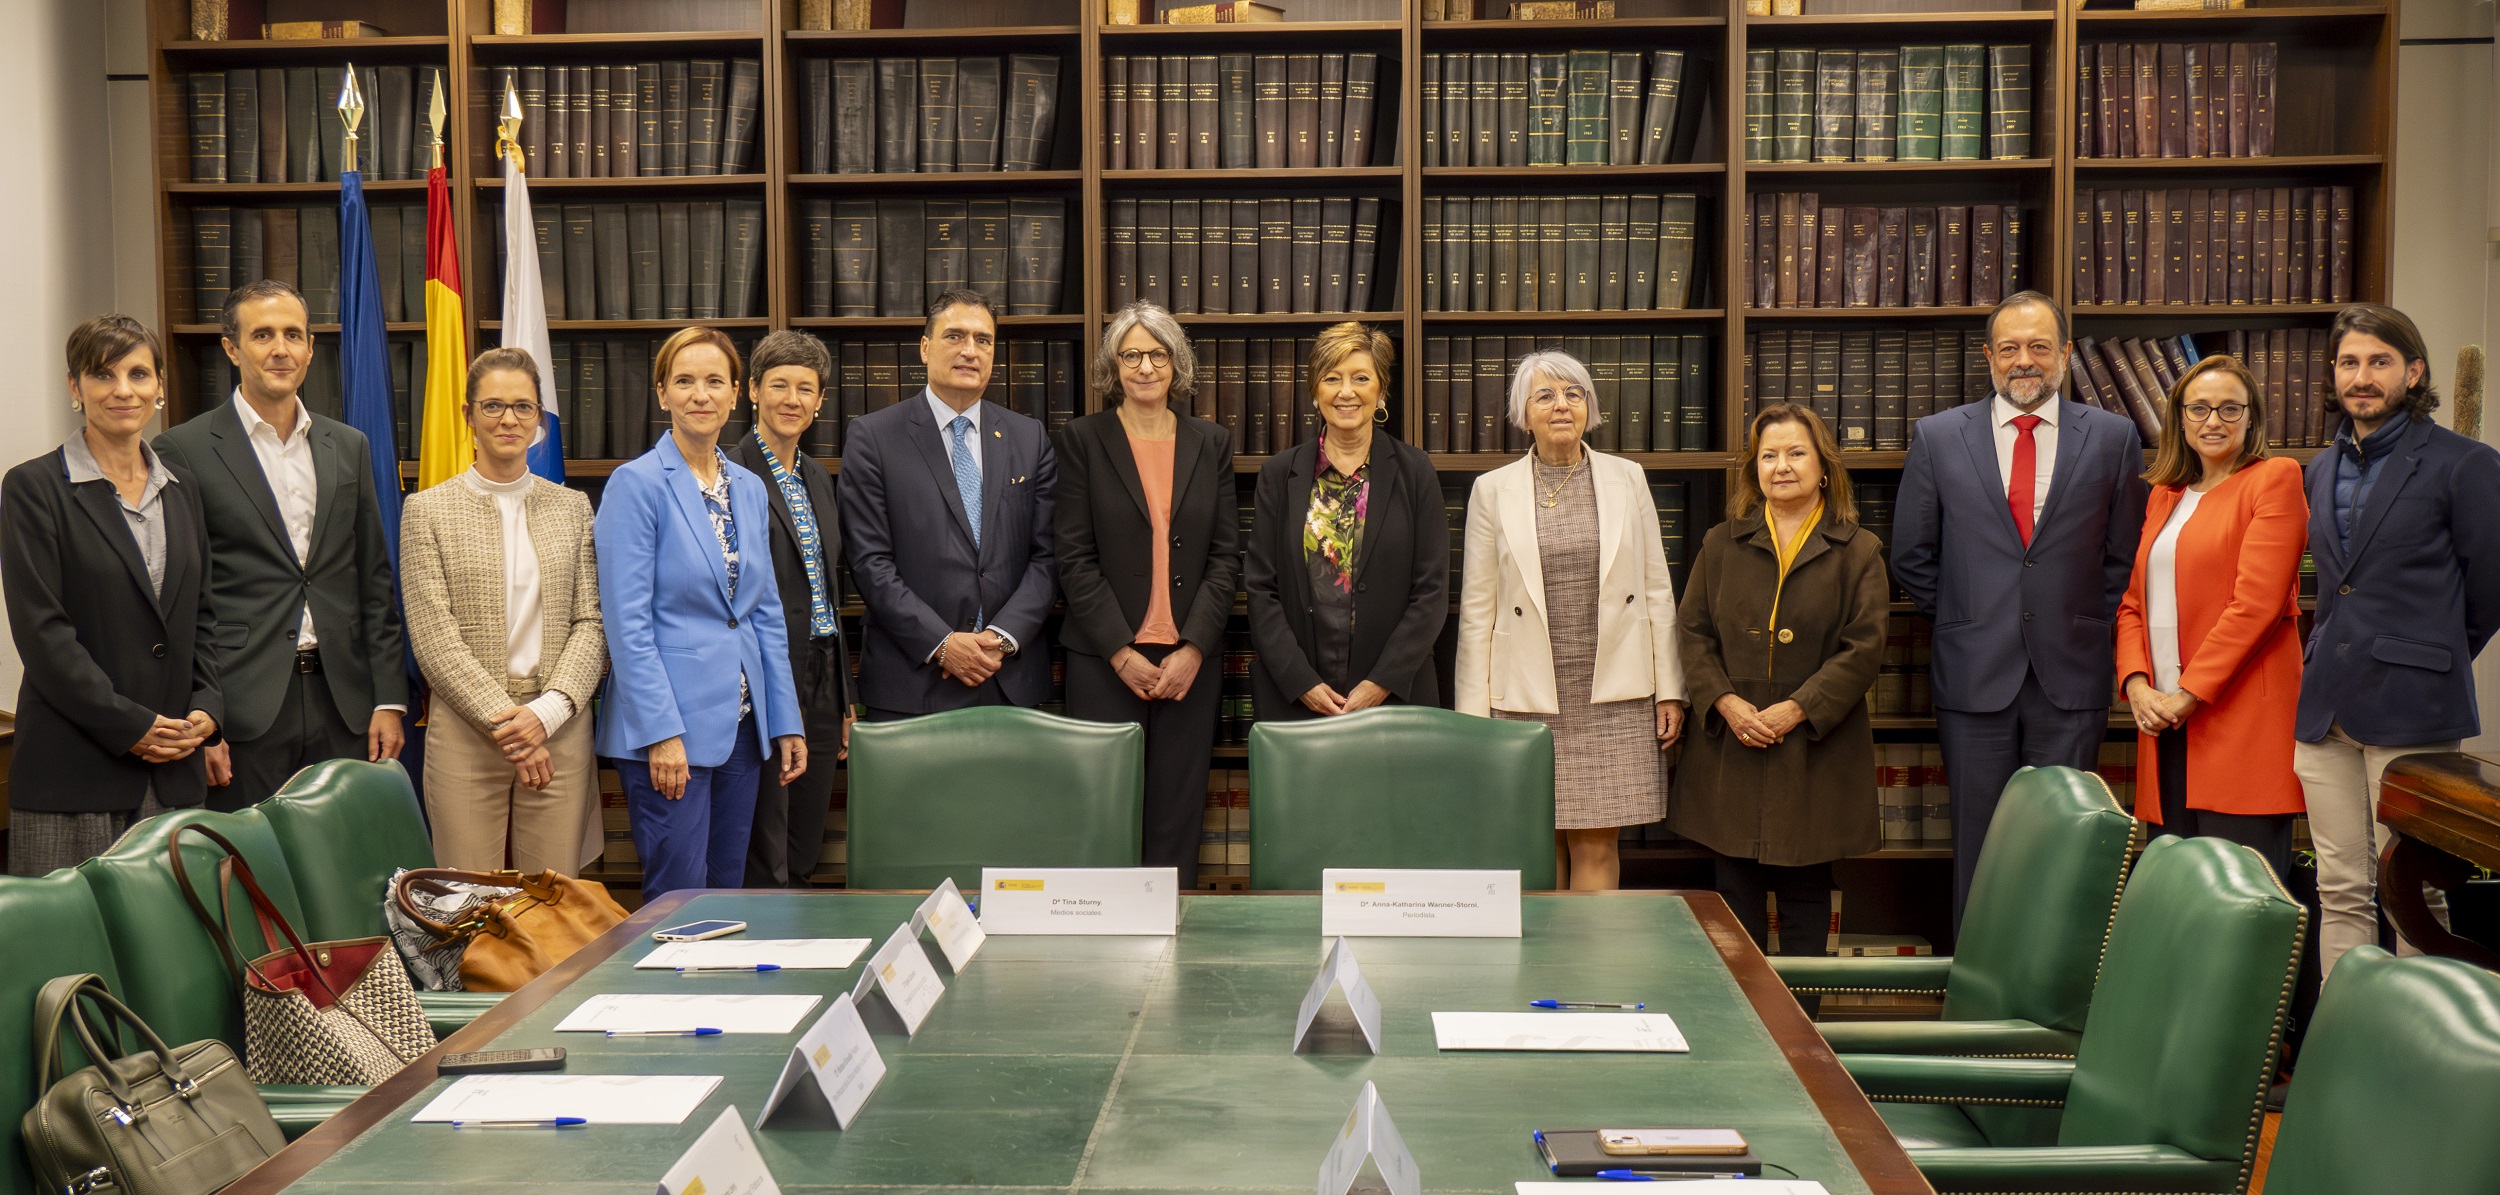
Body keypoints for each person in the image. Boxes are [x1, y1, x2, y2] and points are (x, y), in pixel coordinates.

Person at [1891, 290, 2149, 924]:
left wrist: (2085, 624)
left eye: (2039, 347)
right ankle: (1978, 1004)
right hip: (1974, 674)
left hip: (2072, 675)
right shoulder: (1939, 437)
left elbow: (2125, 559)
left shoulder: (2114, 439)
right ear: (1988, 357)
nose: (2024, 361)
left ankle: (2051, 1003)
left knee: (2066, 845)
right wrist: (1969, 617)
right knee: (1980, 848)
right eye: (2009, 348)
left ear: (2063, 354)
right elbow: (1912, 555)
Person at [2297, 303, 2500, 978]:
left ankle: (2422, 1065)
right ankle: (2343, 1057)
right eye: (2350, 362)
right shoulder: (2319, 469)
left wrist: (2429, 653)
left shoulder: (2465, 464)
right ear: (2334, 373)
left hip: (2413, 705)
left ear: (2413, 372)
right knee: (2340, 889)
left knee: (2417, 894)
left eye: (2380, 362)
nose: (2363, 376)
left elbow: (2488, 591)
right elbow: (2335, 591)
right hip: (2325, 709)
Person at [155, 279, 408, 809]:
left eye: (293, 335)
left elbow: (374, 579)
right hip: (243, 707)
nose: (280, 349)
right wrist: (205, 720)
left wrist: (388, 698)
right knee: (249, 874)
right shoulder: (183, 448)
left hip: (345, 703)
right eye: (262, 335)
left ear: (311, 349)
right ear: (231, 347)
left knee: (341, 866)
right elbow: (181, 599)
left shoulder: (349, 446)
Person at [1455, 349, 1686, 891]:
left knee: (1597, 842)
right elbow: (1476, 610)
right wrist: (1471, 716)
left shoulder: (1628, 479)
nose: (1562, 405)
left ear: (1590, 408)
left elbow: (1657, 589)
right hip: (1523, 692)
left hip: (1613, 692)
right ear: (1523, 414)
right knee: (1535, 844)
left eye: (1574, 394)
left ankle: (1597, 972)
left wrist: (1670, 689)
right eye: (1546, 395)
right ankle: (1543, 975)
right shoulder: (1492, 490)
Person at [594, 327, 807, 898]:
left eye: (715, 381)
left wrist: (783, 718)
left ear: (738, 393)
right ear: (662, 392)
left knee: (727, 892)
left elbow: (762, 615)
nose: (700, 394)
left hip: (741, 727)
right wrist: (663, 733)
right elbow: (627, 624)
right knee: (678, 902)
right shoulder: (635, 485)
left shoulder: (749, 487)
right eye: (684, 381)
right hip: (671, 734)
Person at [3, 315, 219, 875]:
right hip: (74, 778)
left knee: (173, 955)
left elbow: (203, 617)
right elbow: (44, 635)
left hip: (173, 772)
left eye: (139, 373)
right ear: (75, 388)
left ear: (161, 386)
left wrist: (207, 708)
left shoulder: (183, 490)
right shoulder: (33, 489)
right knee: (69, 958)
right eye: (103, 375)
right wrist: (131, 728)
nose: (123, 390)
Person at [1673, 403, 1887, 958]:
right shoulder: (1721, 543)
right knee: (1732, 896)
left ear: (1823, 467)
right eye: (1768, 455)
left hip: (1816, 747)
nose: (1781, 466)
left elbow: (1864, 649)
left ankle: (1802, 1036)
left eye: (1796, 453)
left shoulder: (1858, 550)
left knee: (1806, 898)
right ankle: (1743, 1030)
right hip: (1732, 743)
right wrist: (1724, 702)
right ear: (1754, 468)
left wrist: (1796, 709)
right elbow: (1692, 632)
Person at [400, 348, 606, 875]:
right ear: (468, 416)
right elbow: (433, 638)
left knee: (553, 906)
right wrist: (511, 728)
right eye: (492, 406)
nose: (508, 419)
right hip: (466, 734)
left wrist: (546, 714)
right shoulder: (426, 510)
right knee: (467, 904)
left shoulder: (574, 507)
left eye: (523, 407)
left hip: (559, 728)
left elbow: (592, 623)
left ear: (540, 418)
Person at [1053, 304, 1240, 884]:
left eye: (1157, 354)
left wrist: (1194, 649)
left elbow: (1225, 557)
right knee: (1104, 813)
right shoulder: (1083, 440)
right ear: (1114, 364)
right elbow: (1074, 558)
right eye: (1131, 354)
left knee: (1176, 817)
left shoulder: (1211, 442)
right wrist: (1118, 650)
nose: (1144, 366)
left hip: (1190, 661)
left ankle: (1171, 945)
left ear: (1175, 361)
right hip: (1105, 661)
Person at [2114, 355, 2308, 881]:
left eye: (2229, 409)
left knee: (2241, 900)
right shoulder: (2164, 495)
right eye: (2198, 408)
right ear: (2179, 418)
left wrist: (2188, 693)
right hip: (2163, 723)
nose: (2213, 421)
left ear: (2252, 418)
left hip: (2237, 720)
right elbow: (2133, 603)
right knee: (2175, 894)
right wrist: (2137, 687)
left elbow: (2258, 605)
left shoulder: (2274, 479)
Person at [839, 290, 1057, 719]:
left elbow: (1049, 556)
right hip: (912, 680)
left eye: (983, 340)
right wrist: (941, 644)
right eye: (955, 336)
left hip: (1006, 676)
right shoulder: (873, 437)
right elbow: (869, 562)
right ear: (925, 348)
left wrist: (1002, 636)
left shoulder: (1029, 438)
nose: (970, 351)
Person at [1244, 322, 1447, 721]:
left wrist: (1381, 682)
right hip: (1298, 697)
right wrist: (1300, 681)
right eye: (1332, 378)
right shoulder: (1279, 474)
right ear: (1315, 391)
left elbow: (1432, 590)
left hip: (1394, 698)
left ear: (1381, 390)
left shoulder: (1415, 471)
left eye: (1360, 378)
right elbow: (1259, 587)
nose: (1346, 392)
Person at [726, 330, 852, 888]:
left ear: (821, 400)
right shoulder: (729, 473)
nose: (792, 399)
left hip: (823, 674)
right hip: (766, 675)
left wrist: (845, 696)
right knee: (766, 840)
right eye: (778, 385)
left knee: (805, 836)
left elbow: (827, 589)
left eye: (806, 388)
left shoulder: (818, 476)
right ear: (753, 390)